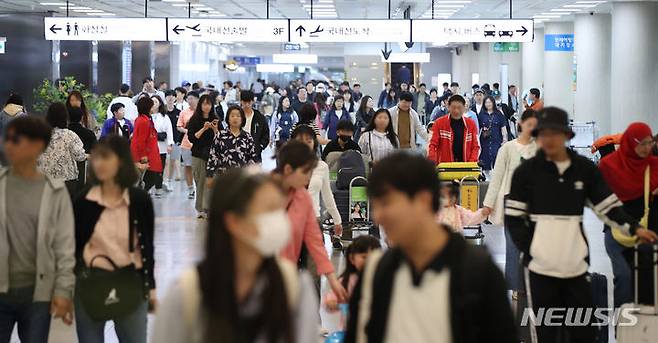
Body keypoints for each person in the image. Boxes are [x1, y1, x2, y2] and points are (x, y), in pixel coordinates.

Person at [505, 107, 658, 342]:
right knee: (545, 333)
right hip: (539, 269)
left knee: (584, 332)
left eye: (555, 133)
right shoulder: (526, 172)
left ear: (566, 136)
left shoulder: (583, 169)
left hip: (576, 267)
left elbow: (608, 207)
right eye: (543, 134)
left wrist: (635, 229)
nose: (548, 140)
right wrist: (532, 249)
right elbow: (514, 218)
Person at [345, 152, 517, 343]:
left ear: (423, 200)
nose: (377, 217)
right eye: (375, 206)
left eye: (386, 203)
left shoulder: (479, 272)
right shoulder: (376, 271)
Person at [152, 169, 319, 343]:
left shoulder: (296, 290)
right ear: (234, 222)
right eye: (270, 211)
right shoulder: (185, 297)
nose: (281, 221)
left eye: (280, 210)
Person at [73, 135, 156, 343]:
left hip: (131, 282)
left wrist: (151, 287)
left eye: (106, 158)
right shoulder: (83, 201)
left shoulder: (139, 200)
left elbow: (146, 247)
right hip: (90, 282)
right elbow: (73, 247)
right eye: (97, 158)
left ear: (121, 161)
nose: (99, 163)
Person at [0, 116, 76, 342]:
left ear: (37, 146)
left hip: (38, 294)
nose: (8, 145)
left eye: (16, 140)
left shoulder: (55, 192)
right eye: (7, 139)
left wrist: (63, 291)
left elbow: (64, 246)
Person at [273, 141, 348, 302]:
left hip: (286, 271)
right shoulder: (264, 192)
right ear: (287, 170)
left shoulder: (303, 198)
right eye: (306, 172)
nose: (309, 177)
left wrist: (333, 280)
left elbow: (315, 242)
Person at [599, 122, 658, 307]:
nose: (646, 148)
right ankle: (622, 327)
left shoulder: (653, 166)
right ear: (631, 142)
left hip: (644, 230)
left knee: (646, 279)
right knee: (624, 277)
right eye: (642, 143)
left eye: (649, 143)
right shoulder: (610, 165)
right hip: (616, 232)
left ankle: (643, 327)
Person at [481, 110, 538, 293]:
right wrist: (488, 204)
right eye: (529, 124)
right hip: (511, 200)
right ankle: (515, 287)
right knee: (513, 245)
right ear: (520, 124)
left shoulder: (540, 148)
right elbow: (496, 177)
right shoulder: (507, 148)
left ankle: (532, 284)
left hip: (534, 203)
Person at [292, 124, 344, 243]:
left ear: (314, 143)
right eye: (300, 141)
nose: (305, 144)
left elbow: (327, 196)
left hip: (313, 220)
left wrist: (337, 220)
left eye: (309, 141)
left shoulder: (321, 166)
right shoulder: (287, 166)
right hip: (291, 221)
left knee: (314, 260)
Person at [39, 103, 87, 198]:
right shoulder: (69, 135)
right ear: (65, 117)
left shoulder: (41, 134)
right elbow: (79, 156)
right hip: (66, 180)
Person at [324, 236, 380, 311]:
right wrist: (331, 302)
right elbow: (332, 298)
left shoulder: (382, 280)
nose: (369, 261)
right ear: (352, 258)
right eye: (364, 257)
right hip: (350, 322)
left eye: (373, 257)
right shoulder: (347, 281)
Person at [187, 95, 219, 218]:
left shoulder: (215, 119)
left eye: (209, 104)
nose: (207, 106)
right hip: (198, 154)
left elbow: (220, 138)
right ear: (200, 105)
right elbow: (192, 138)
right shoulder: (194, 120)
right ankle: (200, 208)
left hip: (212, 156)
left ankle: (208, 207)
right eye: (204, 104)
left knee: (210, 182)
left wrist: (215, 129)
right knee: (200, 181)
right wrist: (204, 129)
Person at [206, 105, 256, 182]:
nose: (235, 118)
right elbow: (213, 156)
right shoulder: (220, 135)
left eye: (238, 116)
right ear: (228, 119)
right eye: (232, 116)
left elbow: (252, 157)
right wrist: (209, 176)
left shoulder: (247, 137)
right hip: (223, 177)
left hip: (243, 178)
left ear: (242, 119)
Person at [428, 94, 480, 164]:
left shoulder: (471, 124)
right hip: (444, 167)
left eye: (459, 108)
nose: (456, 111)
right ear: (448, 107)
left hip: (466, 167)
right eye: (453, 107)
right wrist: (433, 162)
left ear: (464, 108)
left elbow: (476, 146)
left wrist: (471, 163)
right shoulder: (439, 123)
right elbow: (432, 145)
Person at [131, 96, 163, 194]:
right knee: (148, 178)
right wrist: (143, 157)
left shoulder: (145, 119)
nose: (153, 107)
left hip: (150, 153)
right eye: (152, 105)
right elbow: (140, 140)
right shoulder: (143, 121)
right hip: (146, 155)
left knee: (149, 178)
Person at [478, 96, 509, 172]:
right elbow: (478, 128)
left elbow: (503, 128)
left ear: (493, 103)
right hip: (485, 142)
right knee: (485, 162)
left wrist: (505, 140)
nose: (488, 104)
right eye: (486, 102)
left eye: (489, 102)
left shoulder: (499, 114)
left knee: (497, 160)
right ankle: (486, 180)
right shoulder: (481, 114)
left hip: (496, 141)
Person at [177, 91, 199, 199]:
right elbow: (179, 126)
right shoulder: (183, 112)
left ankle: (199, 187)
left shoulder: (201, 113)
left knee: (198, 167)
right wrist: (186, 131)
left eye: (192, 99)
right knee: (188, 166)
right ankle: (191, 188)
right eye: (188, 99)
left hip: (199, 143)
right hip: (186, 143)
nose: (190, 101)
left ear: (197, 99)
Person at [151, 95, 174, 197]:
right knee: (150, 168)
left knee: (160, 168)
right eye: (151, 102)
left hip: (162, 146)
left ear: (159, 103)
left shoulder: (164, 116)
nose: (153, 104)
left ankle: (158, 187)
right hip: (150, 146)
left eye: (155, 102)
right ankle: (149, 187)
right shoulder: (146, 116)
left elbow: (169, 131)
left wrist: (170, 144)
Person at [239, 90, 269, 163]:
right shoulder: (236, 115)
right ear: (241, 102)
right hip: (238, 152)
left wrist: (260, 146)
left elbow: (266, 134)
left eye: (249, 102)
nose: (246, 105)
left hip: (255, 154)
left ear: (252, 101)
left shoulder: (259, 117)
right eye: (244, 102)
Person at [164, 90, 182, 186]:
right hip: (164, 140)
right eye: (168, 96)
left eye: (172, 96)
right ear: (165, 98)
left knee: (174, 158)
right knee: (166, 161)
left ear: (175, 98)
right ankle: (166, 179)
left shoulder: (179, 112)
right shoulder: (162, 112)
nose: (170, 98)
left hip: (175, 139)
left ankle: (174, 176)